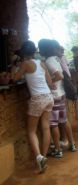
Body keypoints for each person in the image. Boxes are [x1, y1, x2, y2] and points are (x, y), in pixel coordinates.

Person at [12, 41, 54, 173]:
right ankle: (44, 157)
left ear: (23, 53)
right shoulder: (41, 63)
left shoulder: (25, 64)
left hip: (37, 99)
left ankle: (39, 158)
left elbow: (14, 78)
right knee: (46, 127)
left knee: (31, 131)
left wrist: (14, 65)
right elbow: (50, 82)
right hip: (48, 97)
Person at [38, 39, 77, 158]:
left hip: (55, 95)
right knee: (64, 120)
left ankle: (58, 150)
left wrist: (49, 83)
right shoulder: (55, 59)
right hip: (61, 93)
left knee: (53, 124)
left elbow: (59, 76)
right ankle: (72, 144)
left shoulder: (49, 60)